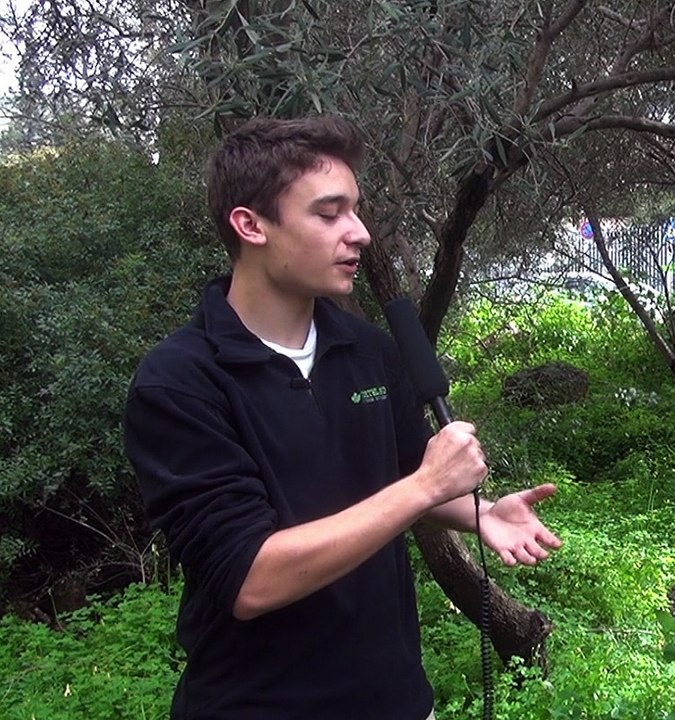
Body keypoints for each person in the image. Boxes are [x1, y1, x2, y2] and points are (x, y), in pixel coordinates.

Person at [123, 115, 562, 719]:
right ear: (251, 225)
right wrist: (426, 486)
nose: (358, 234)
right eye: (329, 214)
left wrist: (479, 512)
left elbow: (402, 479)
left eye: (356, 211)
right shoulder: (179, 383)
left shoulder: (370, 351)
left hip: (396, 700)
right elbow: (251, 580)